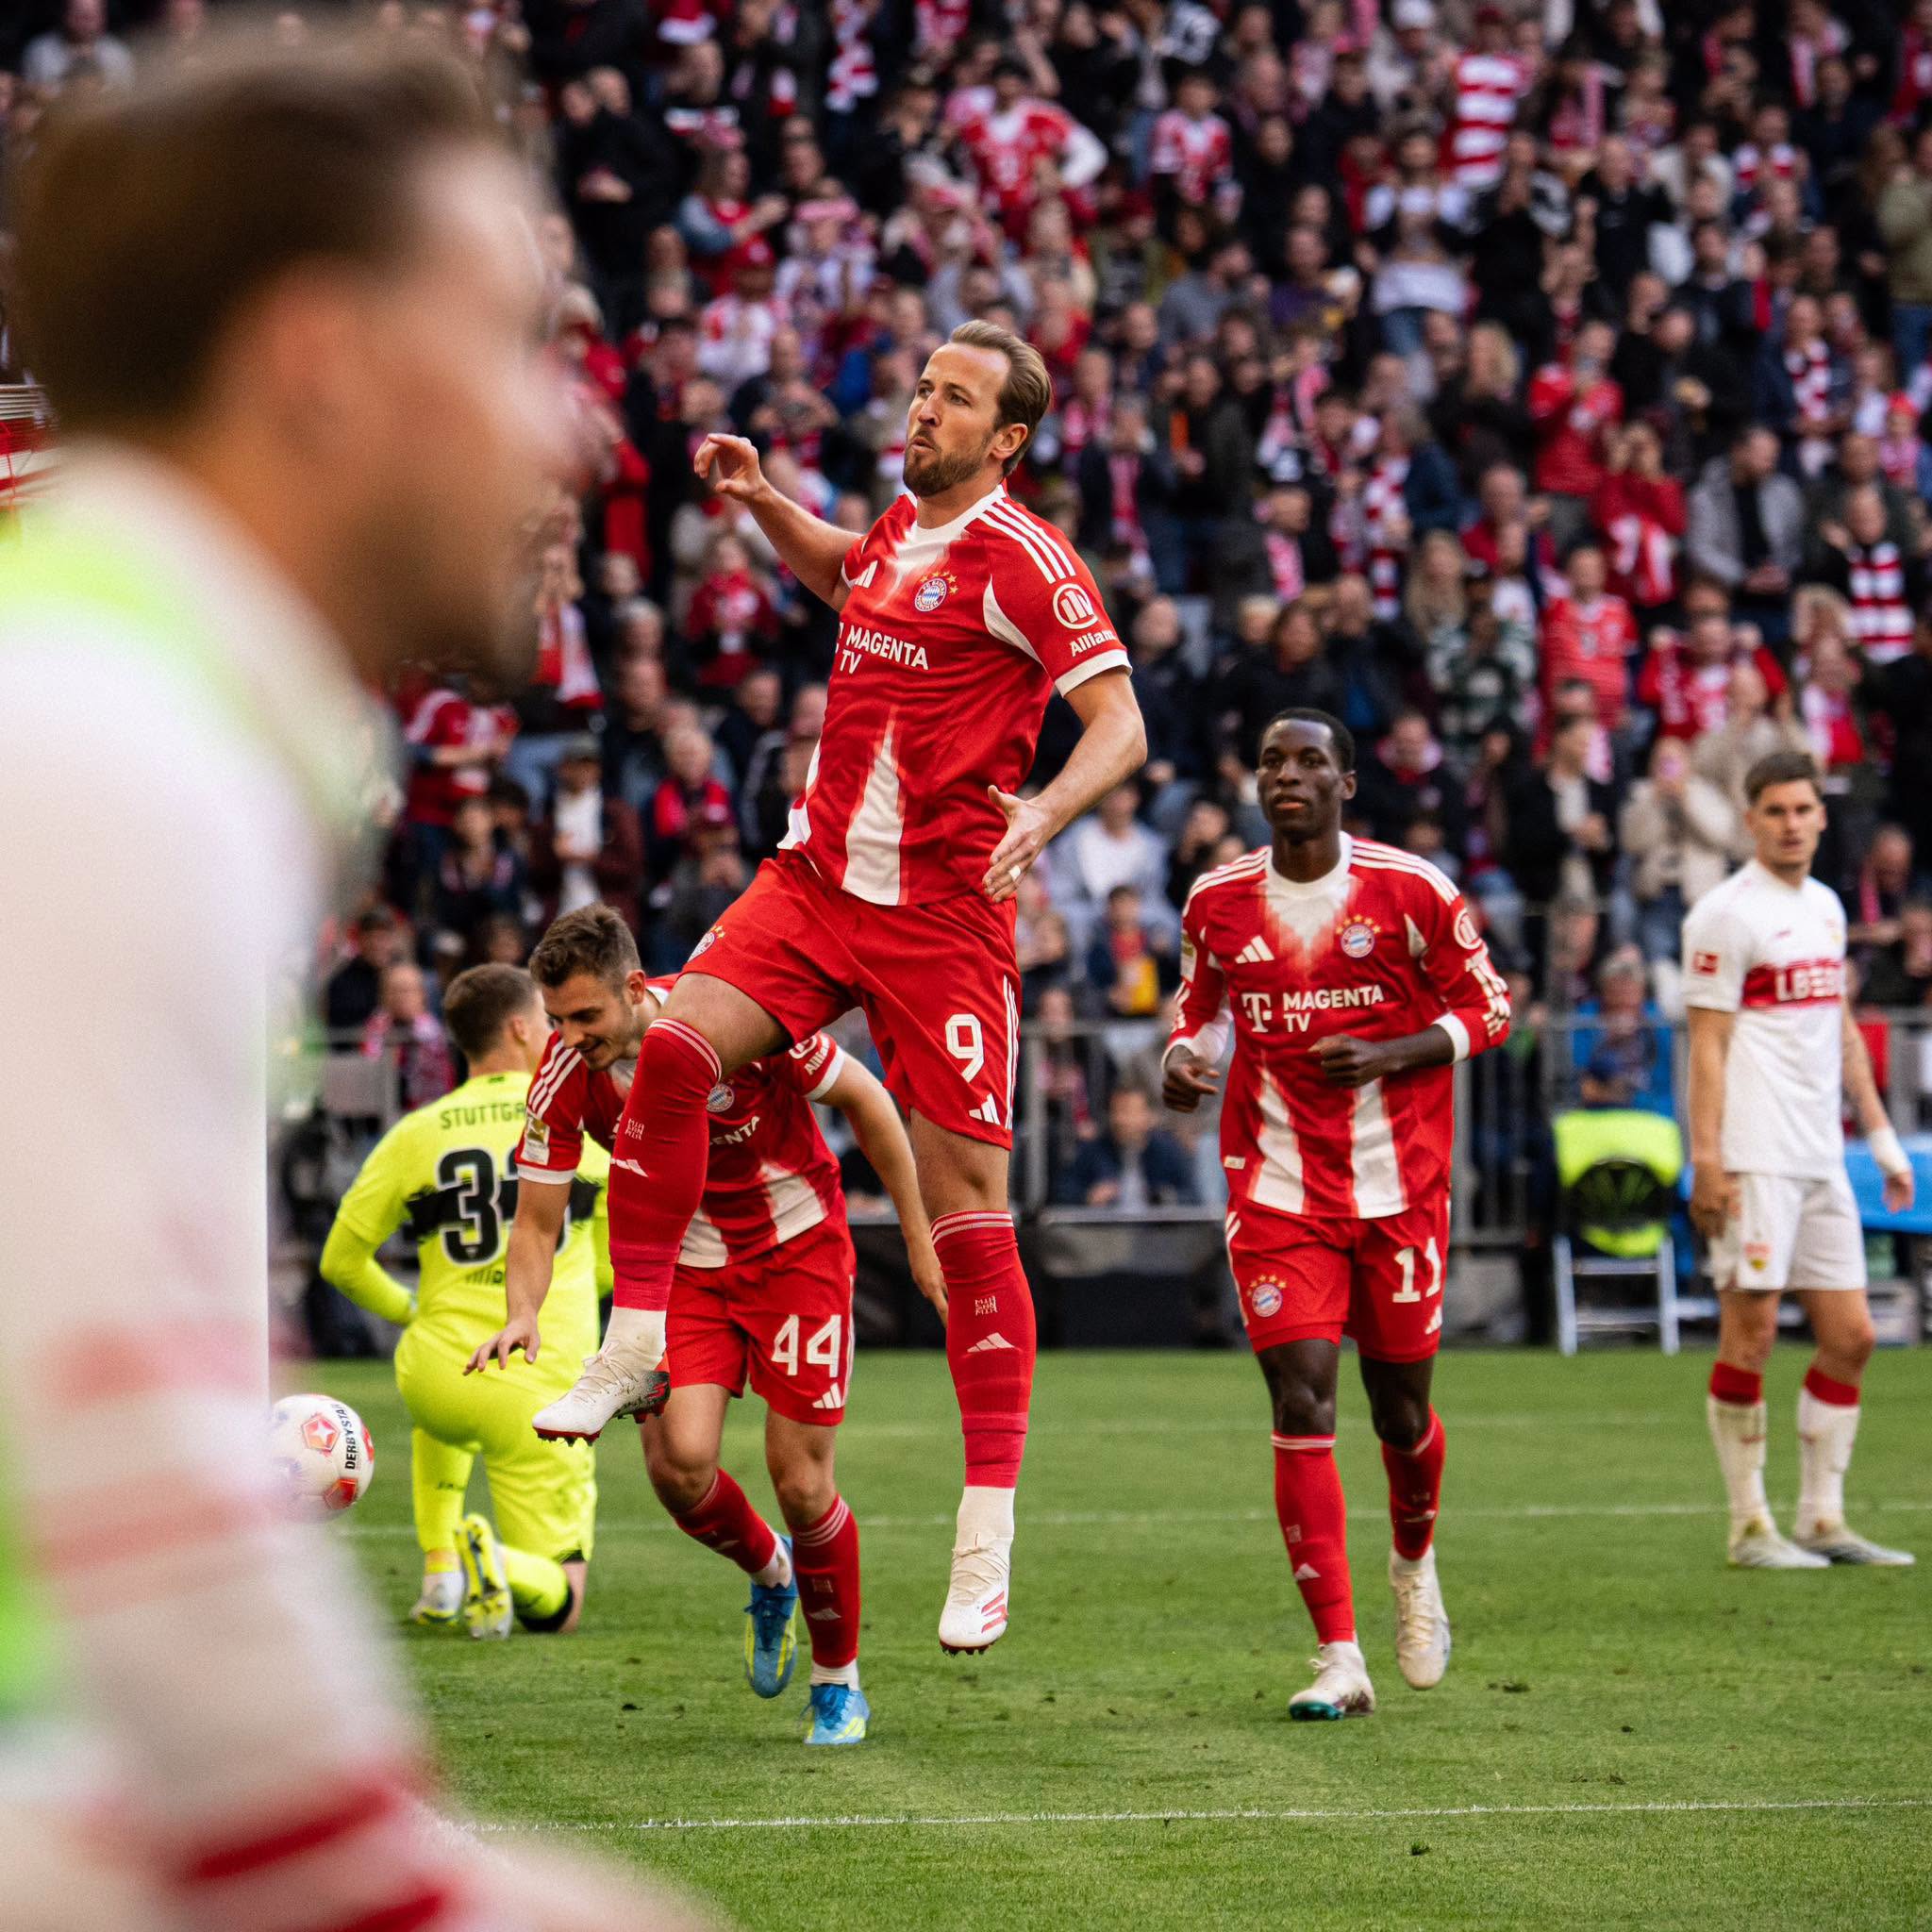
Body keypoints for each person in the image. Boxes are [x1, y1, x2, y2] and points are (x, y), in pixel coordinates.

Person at [0, 28, 698, 1932]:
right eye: (512, 344)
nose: (573, 435)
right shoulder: (99, 743)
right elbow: (121, 1467)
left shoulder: (131, 701)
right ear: (320, 364)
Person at [513, 320, 1146, 1655]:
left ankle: (987, 1528)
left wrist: (1048, 808)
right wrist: (756, 506)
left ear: (1009, 440)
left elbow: (1122, 722)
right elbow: (842, 577)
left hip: (939, 920)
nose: (922, 409)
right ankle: (638, 1333)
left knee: (974, 1213)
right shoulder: (894, 535)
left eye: (955, 399)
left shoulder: (1027, 560)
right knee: (678, 1051)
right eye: (923, 387)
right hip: (813, 886)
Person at [473, 906, 945, 1745]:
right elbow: (538, 1221)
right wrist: (521, 1313)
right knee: (679, 1467)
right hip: (683, 1276)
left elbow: (869, 1101)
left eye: (587, 1017)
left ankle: (839, 1683)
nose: (573, 1036)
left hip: (797, 1252)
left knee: (801, 1480)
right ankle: (772, 1576)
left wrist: (919, 1237)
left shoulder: (731, 1016)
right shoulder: (562, 1074)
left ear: (633, 987)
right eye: (557, 1021)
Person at [1162, 708, 1511, 1719]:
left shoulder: (1409, 890)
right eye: (1272, 759)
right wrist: (1182, 1061)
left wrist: (1392, 1052)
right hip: (1275, 1188)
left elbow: (1488, 1004)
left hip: (1399, 1187)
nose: (1287, 774)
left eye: (1310, 759)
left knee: (1398, 1413)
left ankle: (1414, 1562)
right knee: (1300, 1399)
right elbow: (1198, 1010)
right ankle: (1337, 1656)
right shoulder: (1217, 900)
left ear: (1344, 784)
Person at [324, 964, 609, 1638]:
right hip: (537, 1383)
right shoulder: (578, 1120)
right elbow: (612, 1261)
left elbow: (341, 1261)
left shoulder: (417, 1132)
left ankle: (441, 1570)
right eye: (548, 1022)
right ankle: (499, 1564)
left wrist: (410, 1312)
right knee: (561, 1607)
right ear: (518, 1028)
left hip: (436, 1376)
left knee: (445, 1413)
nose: (556, 1036)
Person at [1683, 750, 1916, 1572]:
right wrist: (1706, 1160)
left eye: (1802, 810)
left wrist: (1882, 1141)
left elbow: (1842, 1030)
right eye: (1774, 810)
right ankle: (1750, 1527)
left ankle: (1823, 1518)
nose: (1790, 824)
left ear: (1822, 817)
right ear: (1750, 821)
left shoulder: (1823, 907)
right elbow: (1706, 1048)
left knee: (1851, 1336)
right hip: (1753, 1157)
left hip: (1822, 1157)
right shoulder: (1724, 915)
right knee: (1748, 1334)